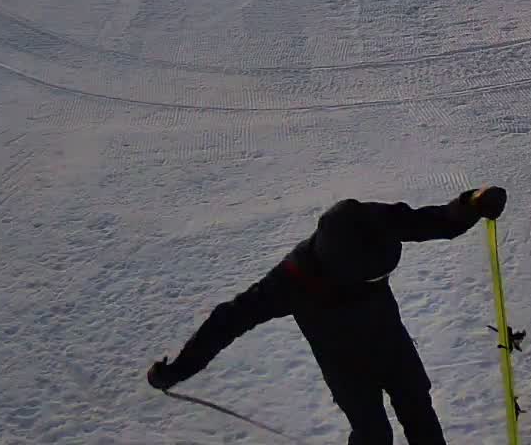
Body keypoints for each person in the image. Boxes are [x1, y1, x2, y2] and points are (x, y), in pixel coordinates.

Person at [146, 186, 509, 445]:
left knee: (421, 418)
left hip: (392, 345)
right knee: (373, 435)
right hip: (346, 366)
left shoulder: (375, 219)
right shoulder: (293, 281)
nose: (380, 282)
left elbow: (437, 221)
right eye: (372, 279)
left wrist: (473, 203)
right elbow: (227, 321)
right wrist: (177, 370)